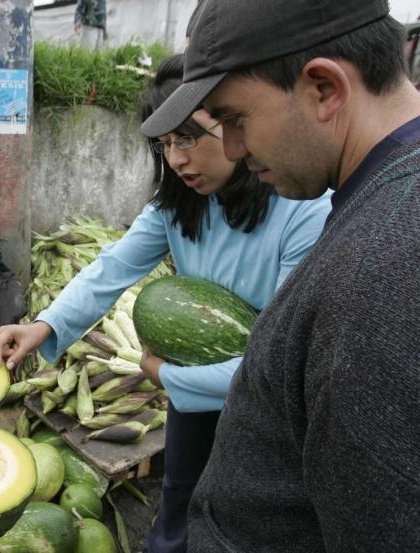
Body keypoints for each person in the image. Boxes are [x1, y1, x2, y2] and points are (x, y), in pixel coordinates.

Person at [0, 54, 330, 553]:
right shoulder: (177, 203)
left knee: (245, 515)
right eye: (165, 144)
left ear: (235, 125)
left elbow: (273, 364)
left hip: (264, 404)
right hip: (196, 396)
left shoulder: (301, 211)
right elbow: (113, 268)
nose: (176, 159)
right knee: (178, 494)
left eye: (188, 137)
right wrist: (44, 326)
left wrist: (167, 377)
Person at [141, 0, 420, 551]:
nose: (235, 148)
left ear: (324, 89)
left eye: (233, 119)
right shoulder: (380, 207)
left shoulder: (381, 272)